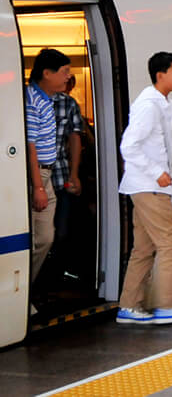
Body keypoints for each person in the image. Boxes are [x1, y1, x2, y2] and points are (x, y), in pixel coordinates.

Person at [116, 52, 172, 326]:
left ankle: (129, 306)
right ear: (159, 74)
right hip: (149, 187)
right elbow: (129, 146)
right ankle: (168, 305)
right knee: (168, 243)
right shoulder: (149, 105)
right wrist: (158, 173)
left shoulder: (163, 103)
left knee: (143, 249)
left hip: (148, 185)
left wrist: (167, 172)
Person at [26, 49, 72, 288]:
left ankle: (27, 289)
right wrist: (38, 187)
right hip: (38, 176)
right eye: (64, 72)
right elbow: (30, 147)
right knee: (38, 238)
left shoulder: (45, 99)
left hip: (47, 175)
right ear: (47, 73)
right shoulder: (32, 101)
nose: (68, 77)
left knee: (45, 238)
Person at [50, 74, 83, 280]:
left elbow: (75, 137)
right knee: (42, 234)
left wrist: (74, 174)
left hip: (61, 176)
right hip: (35, 179)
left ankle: (56, 272)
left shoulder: (69, 104)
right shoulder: (26, 101)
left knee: (61, 231)